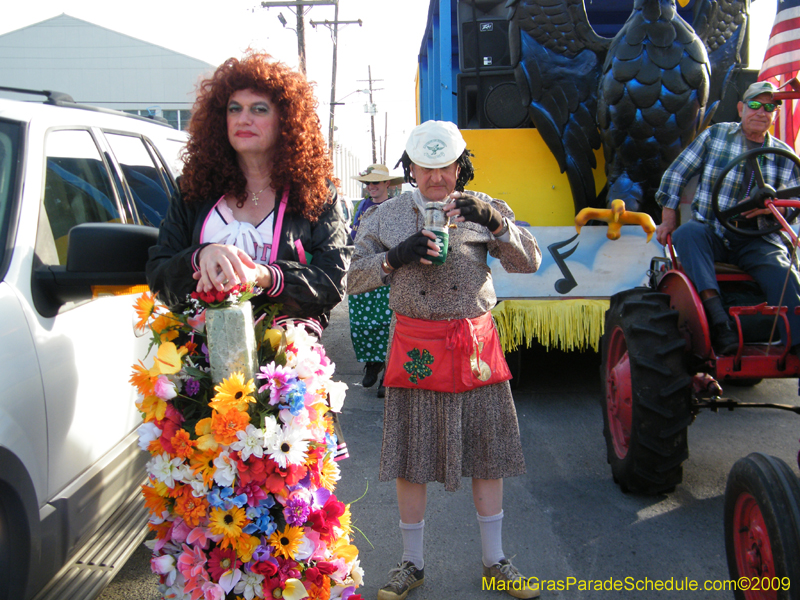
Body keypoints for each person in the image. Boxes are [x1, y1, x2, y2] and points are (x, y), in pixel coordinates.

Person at [347, 121, 542, 600]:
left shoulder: (485, 208)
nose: (437, 177)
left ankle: (495, 560)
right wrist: (394, 258)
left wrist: (496, 222)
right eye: (426, 167)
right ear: (410, 169)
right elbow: (353, 279)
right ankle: (410, 564)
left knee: (488, 453)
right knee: (411, 458)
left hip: (475, 347)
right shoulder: (385, 215)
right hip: (415, 347)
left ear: (461, 165)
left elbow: (530, 262)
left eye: (446, 166)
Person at [146, 52, 353, 337]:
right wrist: (202, 256)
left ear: (286, 121)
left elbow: (331, 283)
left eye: (258, 109)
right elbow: (159, 277)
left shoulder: (315, 193)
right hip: (199, 360)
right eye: (234, 109)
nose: (243, 119)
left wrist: (263, 275)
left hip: (285, 369)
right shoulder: (193, 190)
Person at [655, 80, 800, 356]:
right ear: (741, 108)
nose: (761, 112)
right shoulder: (715, 135)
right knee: (688, 234)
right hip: (712, 232)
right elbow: (675, 174)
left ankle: (796, 343)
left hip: (757, 239)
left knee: (784, 270)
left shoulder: (784, 155)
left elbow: (796, 204)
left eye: (770, 107)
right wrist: (668, 219)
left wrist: (774, 209)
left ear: (776, 114)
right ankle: (719, 321)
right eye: (755, 104)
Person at [349, 164, 405, 397]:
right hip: (362, 270)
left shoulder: (395, 209)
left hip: (385, 271)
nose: (371, 187)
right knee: (362, 323)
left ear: (387, 185)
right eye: (368, 183)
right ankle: (373, 362)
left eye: (376, 183)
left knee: (386, 324)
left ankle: (387, 375)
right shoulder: (361, 206)